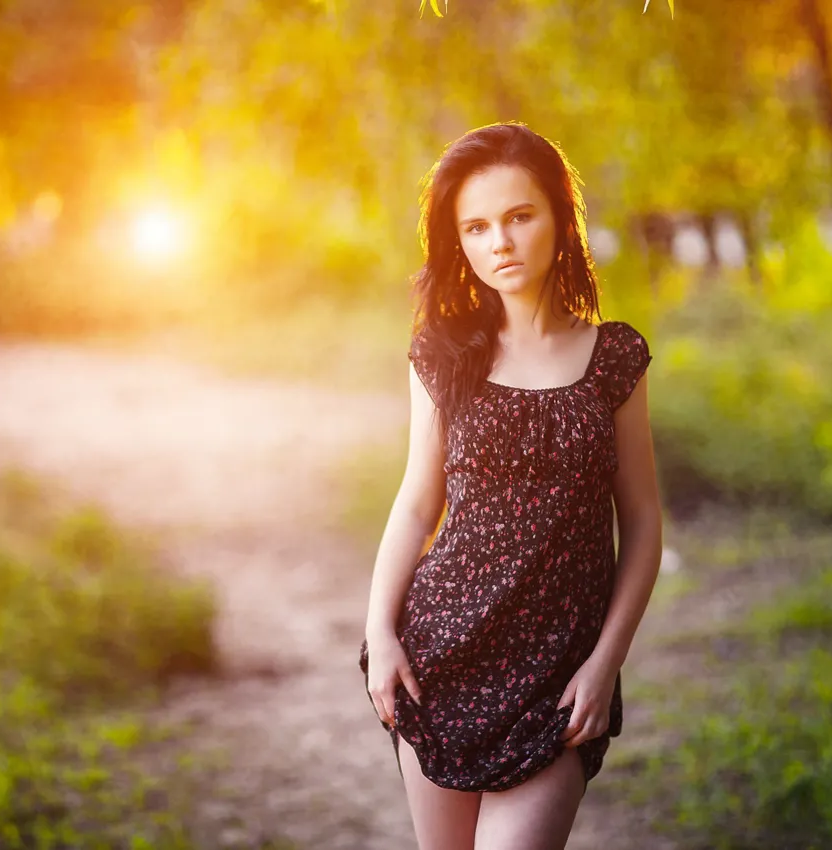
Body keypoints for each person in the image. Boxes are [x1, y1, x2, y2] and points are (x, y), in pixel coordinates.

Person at [357, 121, 664, 850]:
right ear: (457, 242)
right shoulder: (441, 354)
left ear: (559, 217)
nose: (500, 241)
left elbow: (645, 525)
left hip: (559, 677)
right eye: (477, 226)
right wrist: (379, 633)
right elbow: (415, 503)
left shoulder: (613, 358)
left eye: (519, 216)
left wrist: (605, 664)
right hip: (441, 659)